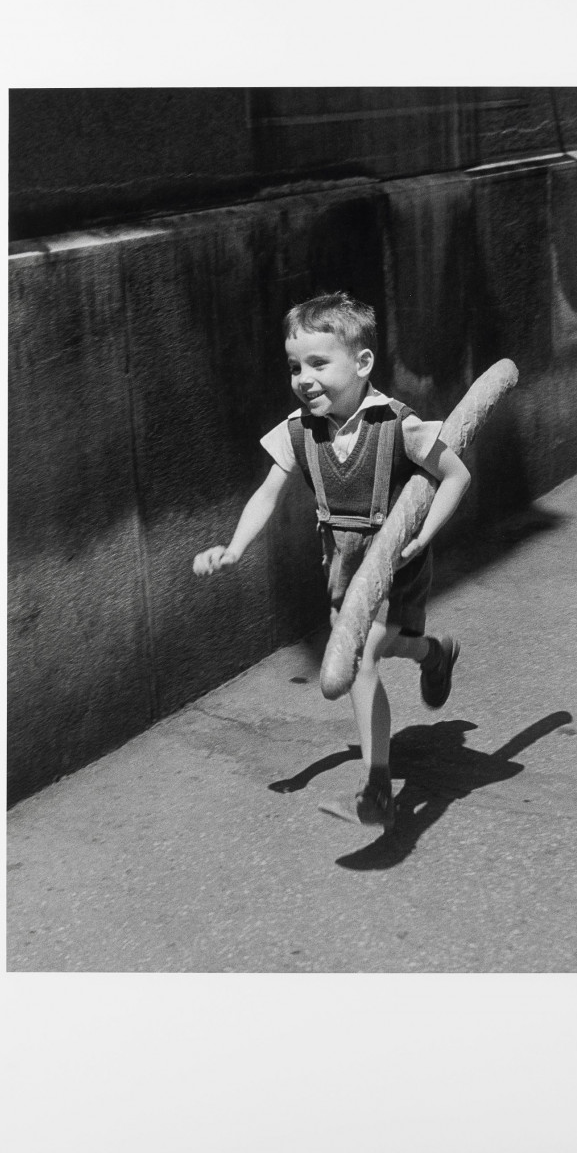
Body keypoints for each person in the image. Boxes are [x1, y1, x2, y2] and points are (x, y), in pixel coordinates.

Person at [193, 292, 471, 831]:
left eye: (319, 363)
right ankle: (435, 652)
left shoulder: (397, 424)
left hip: (396, 562)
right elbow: (267, 493)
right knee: (378, 649)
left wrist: (422, 536)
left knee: (363, 657)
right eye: (295, 366)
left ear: (362, 364)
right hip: (341, 567)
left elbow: (456, 476)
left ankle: (377, 790)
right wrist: (233, 547)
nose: (304, 377)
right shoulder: (299, 430)